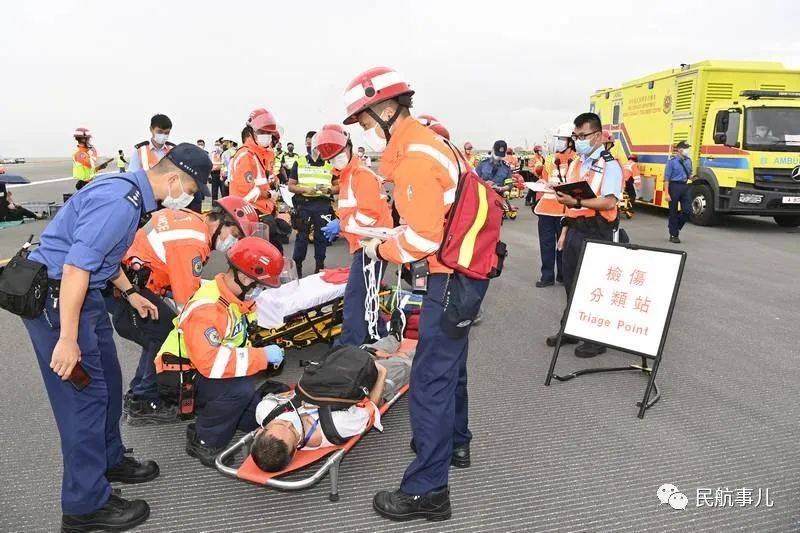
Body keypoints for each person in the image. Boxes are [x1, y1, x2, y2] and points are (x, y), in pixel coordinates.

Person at [22, 142, 210, 531]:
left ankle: (109, 460)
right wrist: (68, 339)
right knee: (83, 400)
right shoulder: (119, 202)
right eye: (191, 189)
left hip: (85, 294)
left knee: (107, 380)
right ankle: (84, 505)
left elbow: (105, 258)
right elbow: (76, 267)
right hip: (61, 300)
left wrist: (131, 293)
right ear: (173, 178)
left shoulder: (133, 198)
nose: (189, 199)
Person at [344, 66, 490, 522]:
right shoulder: (433, 144)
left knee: (429, 381)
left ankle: (428, 490)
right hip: (466, 273)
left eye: (366, 123)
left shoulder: (414, 160)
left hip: (448, 278)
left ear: (386, 109)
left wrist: (380, 244)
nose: (365, 135)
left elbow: (424, 238)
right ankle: (456, 443)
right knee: (451, 364)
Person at [114, 197, 260, 424]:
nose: (234, 243)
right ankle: (144, 401)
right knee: (166, 336)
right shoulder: (191, 241)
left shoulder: (192, 221)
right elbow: (188, 306)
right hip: (131, 290)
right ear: (221, 222)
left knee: (156, 332)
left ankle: (139, 393)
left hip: (132, 281)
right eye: (236, 235)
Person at [154, 237, 287, 466]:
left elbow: (239, 331)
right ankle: (204, 439)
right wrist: (262, 356)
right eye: (259, 285)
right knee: (240, 389)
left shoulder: (233, 297)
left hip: (197, 367)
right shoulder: (209, 307)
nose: (259, 291)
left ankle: (231, 414)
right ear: (244, 277)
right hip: (180, 373)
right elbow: (211, 362)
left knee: (253, 417)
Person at [546, 113, 622, 358]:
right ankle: (570, 328)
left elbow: (609, 202)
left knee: (593, 286)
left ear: (598, 136)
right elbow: (570, 202)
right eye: (575, 136)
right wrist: (565, 230)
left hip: (597, 230)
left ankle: (595, 339)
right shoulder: (578, 162)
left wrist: (577, 200)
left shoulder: (610, 164)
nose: (578, 141)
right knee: (570, 282)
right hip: (575, 229)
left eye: (582, 136)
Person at [313, 124, 393, 346]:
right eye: (331, 157)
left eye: (338, 154)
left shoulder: (360, 175)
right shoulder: (349, 175)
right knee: (366, 293)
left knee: (356, 297)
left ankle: (349, 347)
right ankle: (377, 333)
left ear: (349, 147)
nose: (335, 159)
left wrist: (342, 225)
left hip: (372, 245)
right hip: (367, 243)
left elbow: (368, 214)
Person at [250, 359, 391, 472]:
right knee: (402, 362)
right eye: (292, 429)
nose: (288, 422)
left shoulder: (264, 410)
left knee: (372, 349)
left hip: (340, 369)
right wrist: (382, 373)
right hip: (370, 383)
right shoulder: (336, 426)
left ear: (260, 430)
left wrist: (303, 405)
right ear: (294, 452)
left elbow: (290, 393)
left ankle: (391, 339)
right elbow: (371, 405)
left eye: (279, 423)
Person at [289, 131, 339, 276]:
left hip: (322, 204)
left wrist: (328, 189)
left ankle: (320, 266)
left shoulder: (330, 165)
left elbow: (338, 187)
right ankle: (297, 266)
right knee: (302, 237)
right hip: (303, 204)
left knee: (321, 237)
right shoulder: (300, 162)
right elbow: (291, 186)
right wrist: (305, 189)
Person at [533, 124, 575, 288]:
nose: (557, 143)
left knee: (562, 245)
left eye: (561, 139)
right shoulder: (550, 159)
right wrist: (542, 183)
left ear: (570, 141)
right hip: (546, 209)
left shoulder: (577, 159)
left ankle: (563, 275)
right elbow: (545, 178)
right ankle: (547, 276)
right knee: (546, 244)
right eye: (557, 139)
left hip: (565, 209)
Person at [228, 108, 279, 217]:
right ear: (251, 132)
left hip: (261, 209)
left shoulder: (261, 154)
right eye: (262, 132)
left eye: (268, 133)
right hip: (248, 211)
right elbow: (248, 191)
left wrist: (274, 180)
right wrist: (269, 195)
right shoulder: (246, 155)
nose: (266, 135)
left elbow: (263, 179)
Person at [665, 141, 693, 243]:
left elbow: (689, 175)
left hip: (684, 186)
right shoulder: (672, 162)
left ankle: (675, 226)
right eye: (686, 148)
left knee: (688, 210)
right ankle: (673, 234)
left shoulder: (689, 161)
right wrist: (666, 193)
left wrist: (694, 177)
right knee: (673, 211)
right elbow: (667, 179)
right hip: (674, 186)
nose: (688, 150)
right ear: (680, 149)